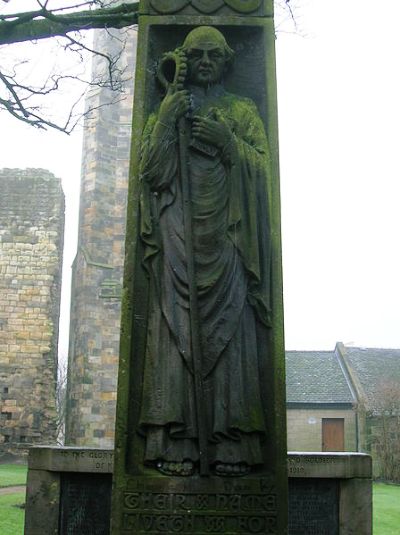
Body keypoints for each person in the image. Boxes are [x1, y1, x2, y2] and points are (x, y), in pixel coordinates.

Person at [137, 26, 272, 477]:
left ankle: (232, 443)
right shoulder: (170, 104)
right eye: (197, 54)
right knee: (175, 333)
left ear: (227, 59)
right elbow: (150, 176)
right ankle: (176, 441)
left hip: (229, 238)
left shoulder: (242, 110)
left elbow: (265, 178)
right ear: (185, 59)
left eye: (215, 54)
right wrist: (166, 120)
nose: (206, 61)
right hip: (176, 237)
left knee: (232, 334)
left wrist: (228, 144)